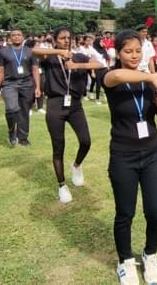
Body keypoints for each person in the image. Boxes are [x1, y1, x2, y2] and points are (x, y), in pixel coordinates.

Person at [102, 30, 157, 285]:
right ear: (117, 53)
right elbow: (118, 75)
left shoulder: (149, 82)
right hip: (123, 156)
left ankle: (150, 255)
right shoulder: (109, 76)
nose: (133, 55)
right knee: (125, 213)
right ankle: (126, 261)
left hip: (152, 154)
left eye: (138, 51)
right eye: (128, 51)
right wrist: (151, 76)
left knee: (156, 214)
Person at [33, 28, 104, 203]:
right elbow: (34, 51)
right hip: (56, 104)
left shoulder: (78, 56)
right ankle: (62, 185)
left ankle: (77, 165)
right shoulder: (49, 57)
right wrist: (59, 52)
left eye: (68, 38)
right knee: (59, 147)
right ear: (55, 41)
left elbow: (99, 64)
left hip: (75, 104)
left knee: (86, 141)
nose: (66, 41)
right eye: (62, 38)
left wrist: (77, 65)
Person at [0, 29, 41, 147]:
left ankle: (23, 138)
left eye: (19, 35)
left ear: (23, 37)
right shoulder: (4, 52)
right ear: (10, 38)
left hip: (27, 83)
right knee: (11, 109)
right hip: (10, 83)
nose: (16, 37)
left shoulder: (30, 51)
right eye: (13, 35)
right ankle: (11, 133)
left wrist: (38, 87)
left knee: (24, 111)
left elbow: (35, 70)